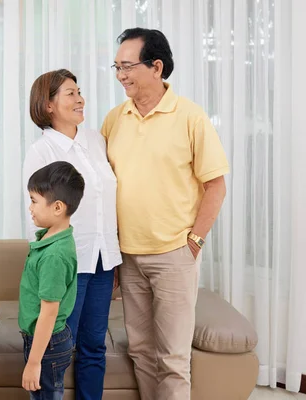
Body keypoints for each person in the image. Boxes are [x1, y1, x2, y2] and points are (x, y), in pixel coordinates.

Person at [101, 28, 229, 400]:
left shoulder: (190, 116)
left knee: (172, 357)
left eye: (128, 66)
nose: (121, 74)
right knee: (140, 351)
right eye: (116, 66)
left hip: (174, 253)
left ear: (157, 67)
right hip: (128, 256)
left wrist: (194, 242)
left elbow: (216, 186)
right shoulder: (114, 119)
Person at [23, 69, 121, 400]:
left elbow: (106, 201)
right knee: (58, 349)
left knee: (94, 347)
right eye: (69, 93)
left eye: (79, 91)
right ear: (47, 105)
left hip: (103, 260)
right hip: (68, 264)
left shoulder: (97, 140)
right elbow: (35, 213)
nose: (79, 98)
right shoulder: (42, 150)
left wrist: (113, 258)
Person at [19, 161, 85, 400]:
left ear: (57, 207)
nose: (30, 207)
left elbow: (48, 312)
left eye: (34, 201)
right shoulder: (50, 238)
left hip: (48, 345)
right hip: (44, 341)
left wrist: (34, 362)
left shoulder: (55, 255)